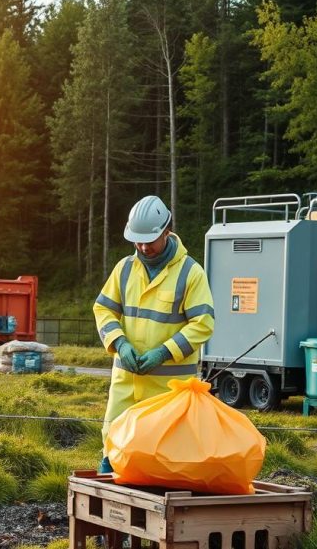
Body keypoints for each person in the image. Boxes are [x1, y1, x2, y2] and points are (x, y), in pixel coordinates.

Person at [93, 195, 215, 474]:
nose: (144, 247)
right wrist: (120, 343)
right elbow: (103, 309)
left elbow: (204, 323)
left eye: (150, 241)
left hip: (168, 389)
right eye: (138, 241)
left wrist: (164, 352)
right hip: (127, 379)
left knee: (161, 458)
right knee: (114, 446)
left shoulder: (190, 273)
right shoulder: (124, 269)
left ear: (166, 232)